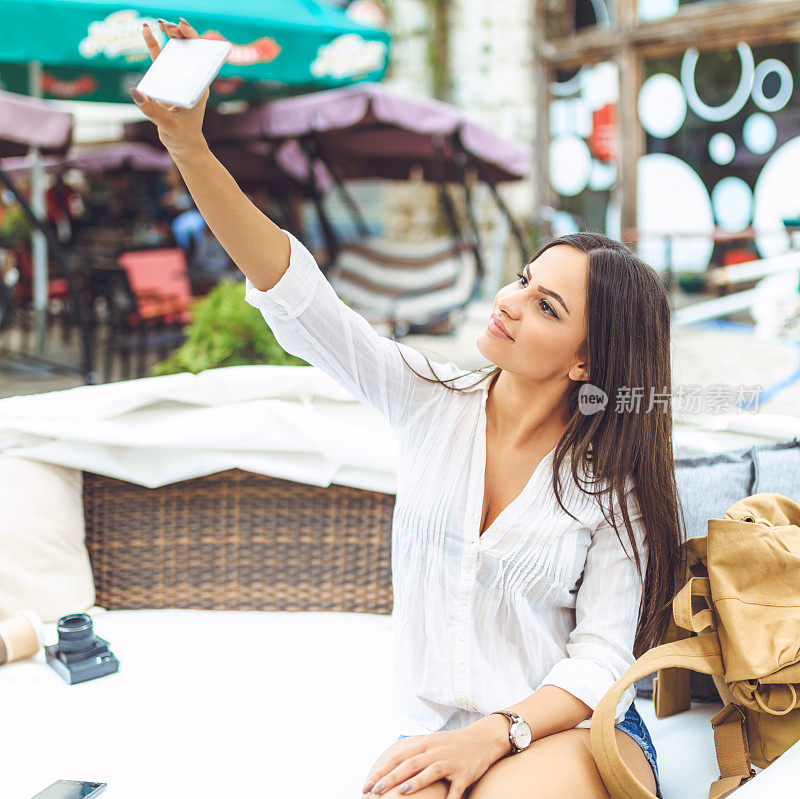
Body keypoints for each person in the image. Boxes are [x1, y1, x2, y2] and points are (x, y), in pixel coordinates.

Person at [132, 18, 683, 799]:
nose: (510, 302)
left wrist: (496, 736)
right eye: (523, 278)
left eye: (546, 305)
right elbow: (299, 299)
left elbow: (597, 662)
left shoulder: (610, 482)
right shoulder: (429, 400)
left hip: (565, 730)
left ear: (588, 360)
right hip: (436, 734)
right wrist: (190, 145)